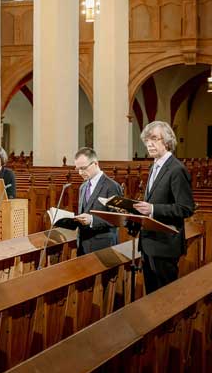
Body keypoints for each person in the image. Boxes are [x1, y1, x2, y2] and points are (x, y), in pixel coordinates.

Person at [133, 121, 196, 293]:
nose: (149, 144)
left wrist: (153, 209)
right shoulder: (155, 166)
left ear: (167, 141)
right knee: (152, 297)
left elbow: (186, 208)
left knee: (166, 299)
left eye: (154, 139)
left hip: (165, 244)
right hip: (149, 243)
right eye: (146, 140)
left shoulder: (176, 169)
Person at [72, 147, 121, 255]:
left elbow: (117, 218)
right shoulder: (83, 187)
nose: (80, 172)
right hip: (83, 244)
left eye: (83, 168)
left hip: (103, 245)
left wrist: (93, 220)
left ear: (95, 164)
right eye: (78, 169)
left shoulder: (111, 186)